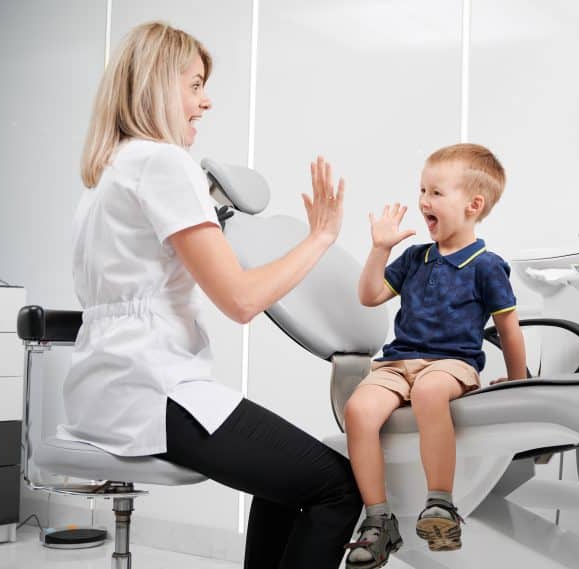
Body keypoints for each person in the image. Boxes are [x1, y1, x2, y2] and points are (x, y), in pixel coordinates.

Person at [61, 21, 361, 569]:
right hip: (152, 388)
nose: (206, 101)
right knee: (338, 487)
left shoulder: (109, 172)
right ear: (158, 84)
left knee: (285, 483)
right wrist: (320, 238)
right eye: (195, 85)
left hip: (104, 388)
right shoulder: (164, 163)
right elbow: (242, 300)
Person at [343, 143, 527, 568]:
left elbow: (508, 330)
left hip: (452, 363)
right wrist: (379, 249)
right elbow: (369, 295)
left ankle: (440, 504)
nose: (424, 200)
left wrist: (517, 382)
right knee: (358, 410)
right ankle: (378, 520)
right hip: (396, 363)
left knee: (429, 392)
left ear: (473, 205)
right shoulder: (414, 258)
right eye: (422, 190)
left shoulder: (486, 265)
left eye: (436, 193)